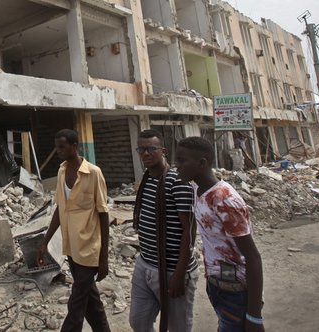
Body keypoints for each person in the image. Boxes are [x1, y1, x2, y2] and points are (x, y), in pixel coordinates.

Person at [175, 136, 265, 332]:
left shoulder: (224, 200)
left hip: (236, 291)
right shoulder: (198, 189)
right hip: (217, 285)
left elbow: (252, 257)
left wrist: (254, 316)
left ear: (202, 163)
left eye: (182, 161)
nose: (177, 166)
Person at [37, 129, 111, 332]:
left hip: (89, 249)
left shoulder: (94, 173)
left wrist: (103, 257)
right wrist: (45, 242)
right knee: (91, 301)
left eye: (62, 147)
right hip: (71, 248)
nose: (58, 151)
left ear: (74, 146)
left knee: (77, 302)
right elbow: (60, 209)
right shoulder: (61, 171)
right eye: (57, 146)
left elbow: (104, 215)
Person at [129, 129, 198, 332]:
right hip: (146, 263)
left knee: (178, 328)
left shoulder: (178, 181)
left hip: (172, 270)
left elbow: (189, 230)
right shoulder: (147, 178)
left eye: (151, 149)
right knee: (138, 322)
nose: (146, 154)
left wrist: (179, 273)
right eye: (141, 149)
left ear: (163, 151)